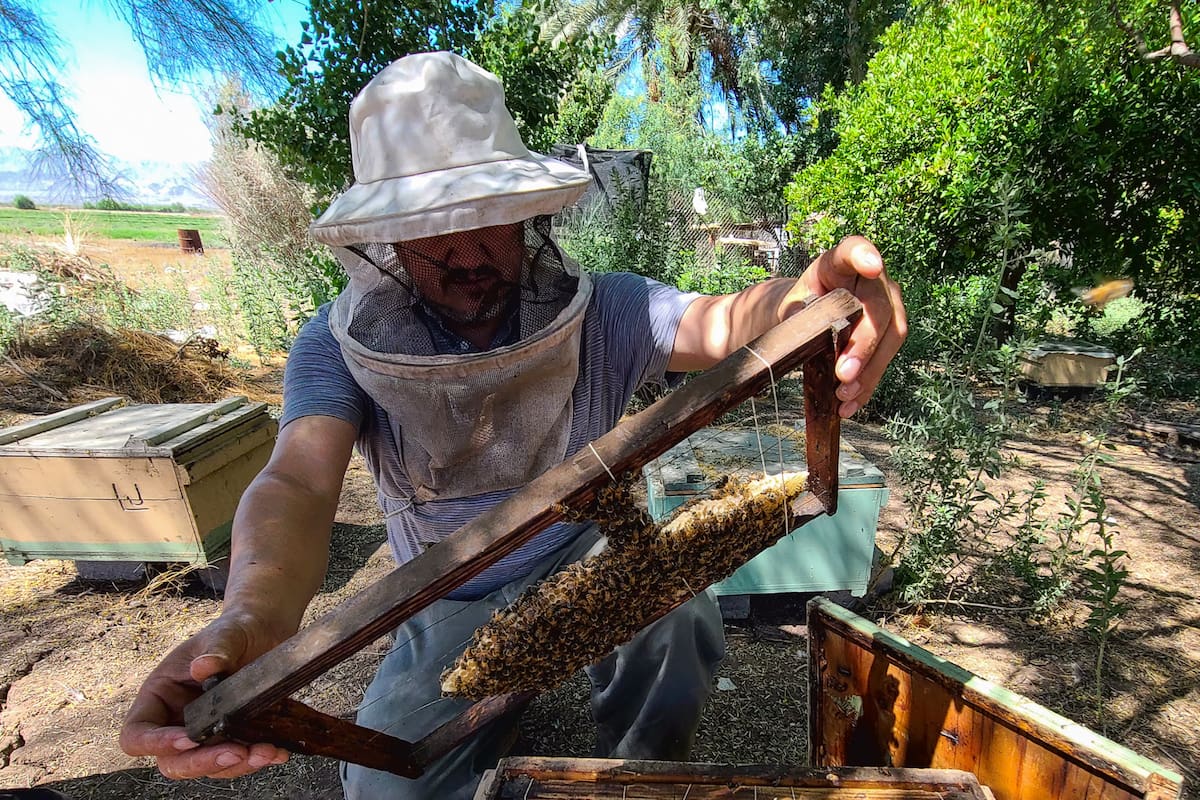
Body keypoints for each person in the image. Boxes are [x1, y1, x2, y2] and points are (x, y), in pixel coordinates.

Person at [119, 51, 906, 799]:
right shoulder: (335, 345)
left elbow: (720, 321)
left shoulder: (611, 309)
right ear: (383, 238)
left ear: (527, 213)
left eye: (489, 215)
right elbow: (297, 476)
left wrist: (800, 304)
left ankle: (641, 776)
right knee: (386, 787)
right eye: (432, 224)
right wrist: (255, 615)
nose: (468, 250)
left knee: (680, 618)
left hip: (592, 549)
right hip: (446, 592)